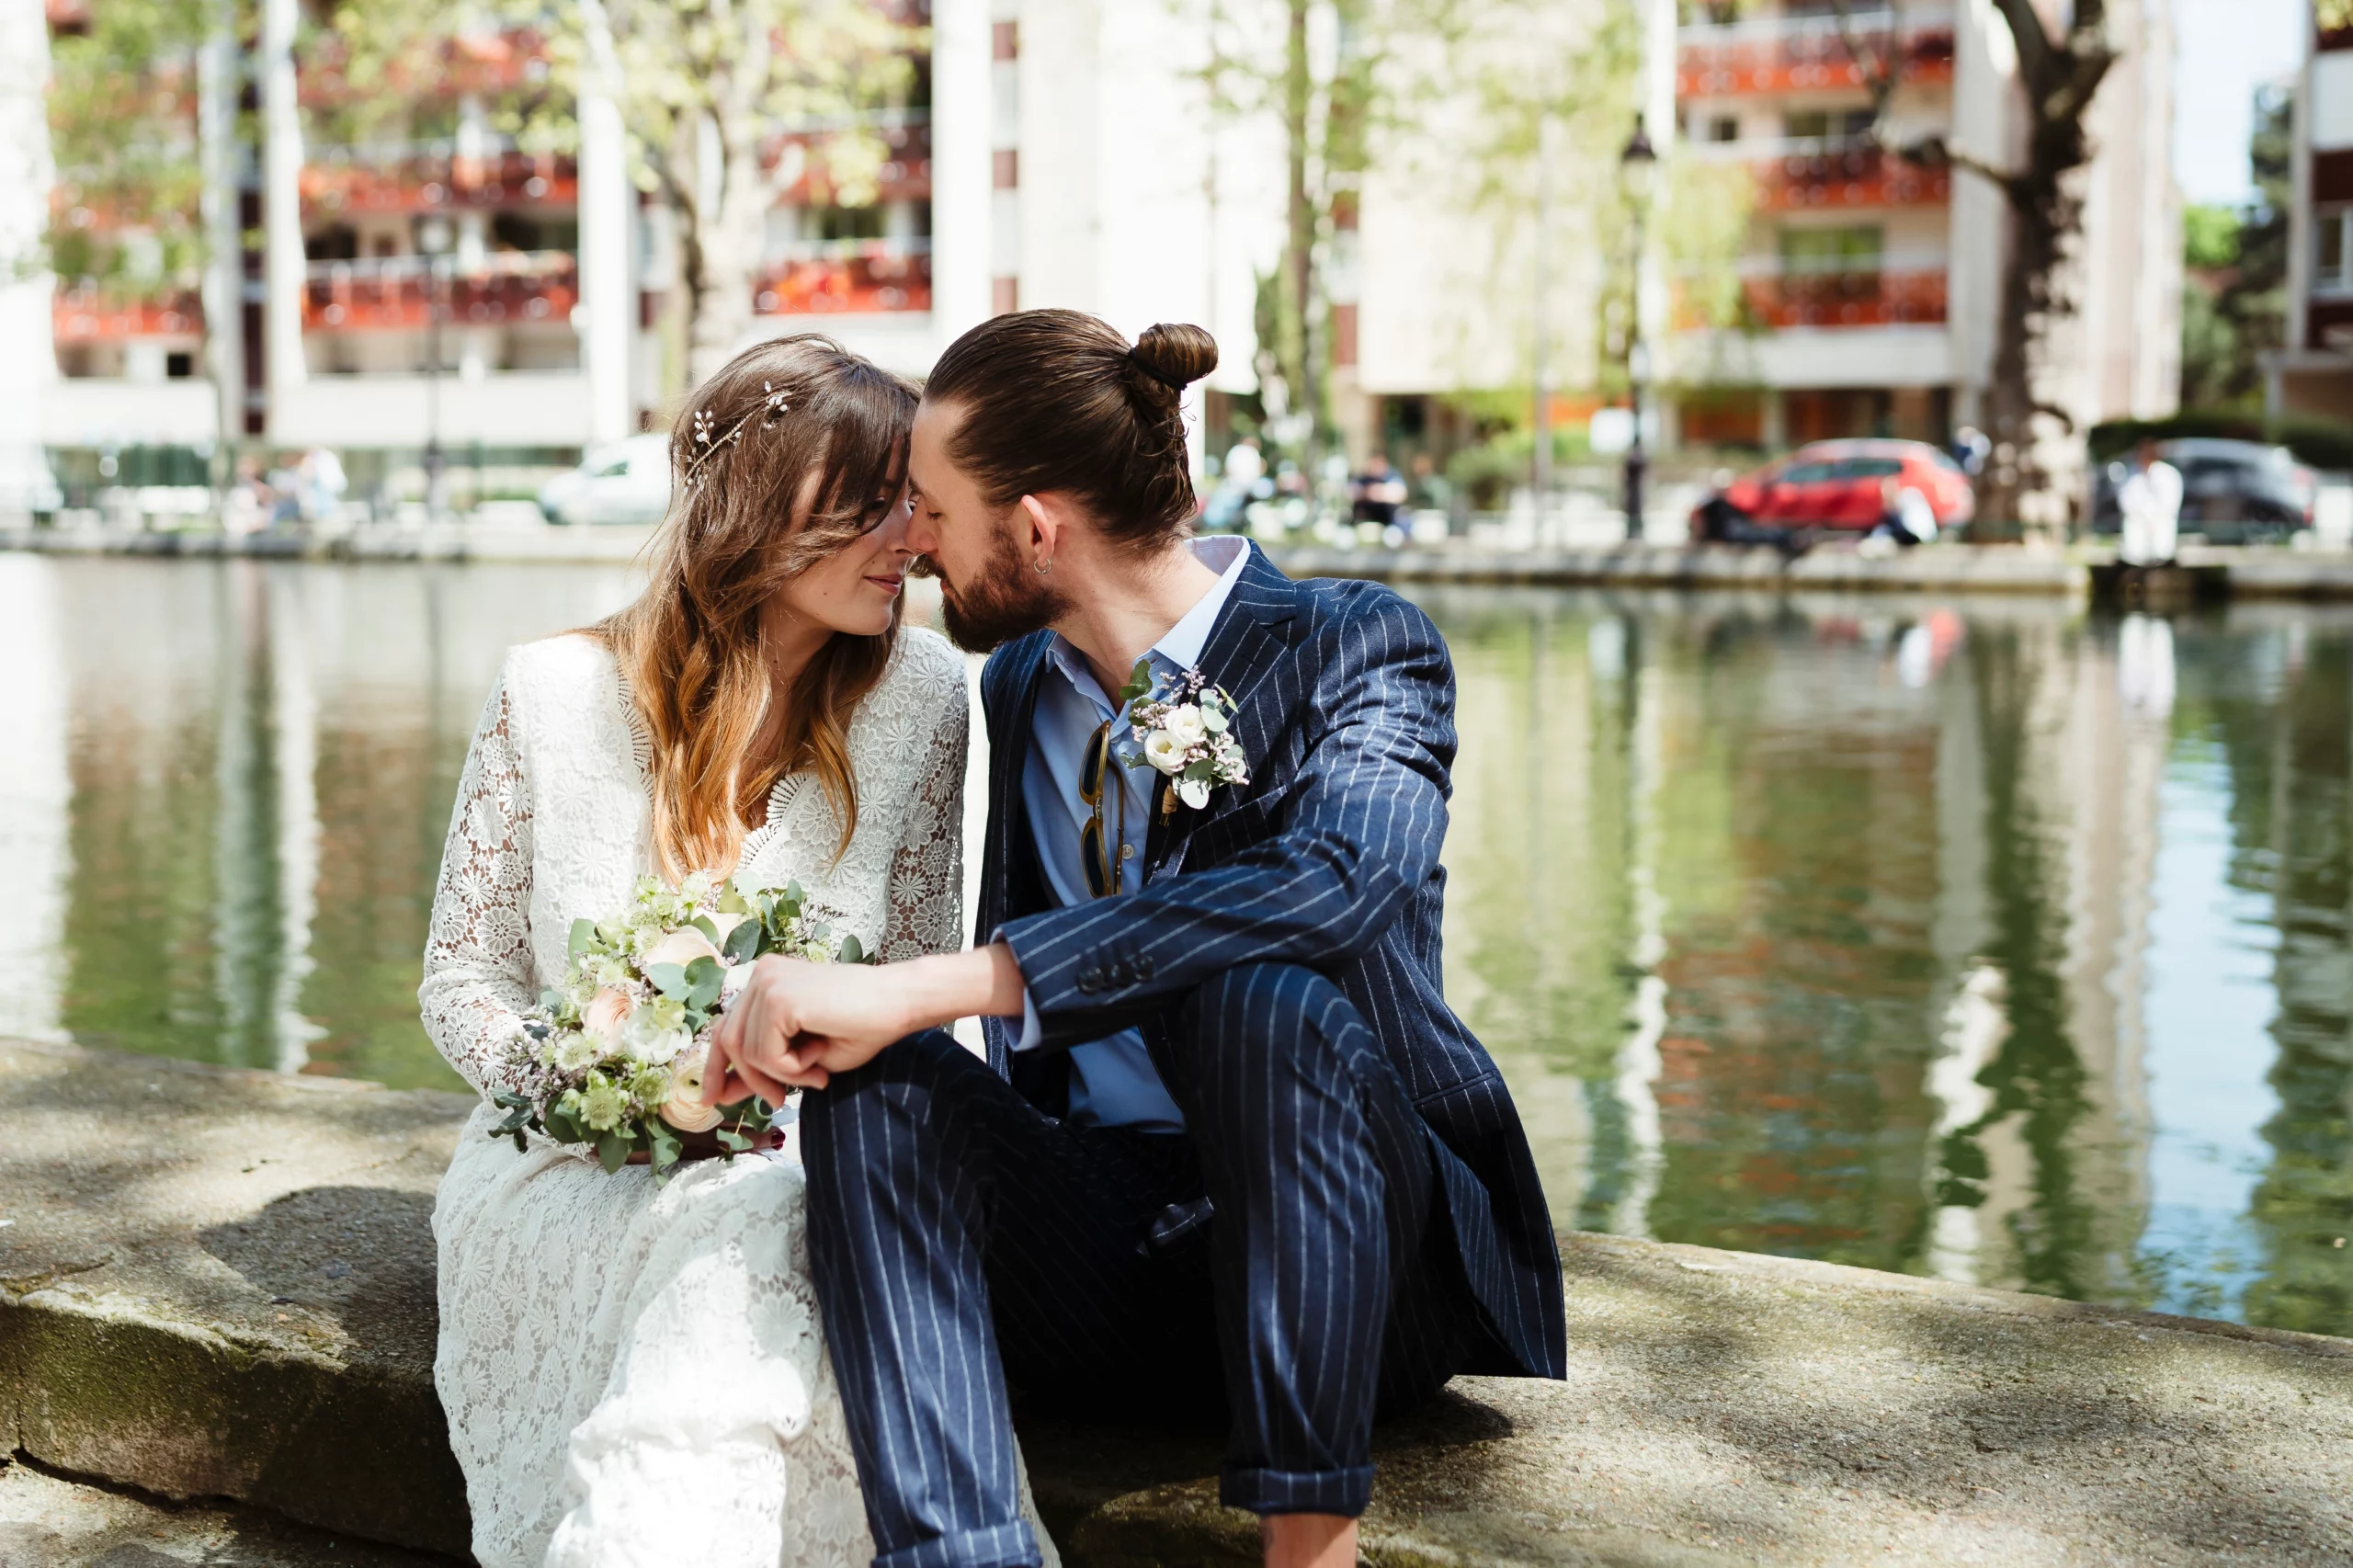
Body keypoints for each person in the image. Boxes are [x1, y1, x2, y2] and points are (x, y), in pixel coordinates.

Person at [704, 311, 1568, 1568]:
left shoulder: (1355, 643)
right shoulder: (1018, 684)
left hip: (1355, 1273)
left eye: (934, 511)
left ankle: (1309, 1552)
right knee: (872, 1080)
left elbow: (1337, 880)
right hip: (1114, 1254)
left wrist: (939, 982)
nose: (918, 545)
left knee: (1259, 999)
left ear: (1036, 525)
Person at [417, 334, 1058, 1568]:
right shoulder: (547, 691)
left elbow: (921, 987)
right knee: (733, 1242)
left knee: (761, 1222)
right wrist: (606, 1087)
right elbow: (463, 981)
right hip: (565, 1162)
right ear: (758, 510)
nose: (911, 542)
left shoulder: (926, 699)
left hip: (814, 1167)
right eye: (870, 509)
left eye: (914, 509)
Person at [2118, 439, 2183, 567]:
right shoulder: (2131, 473)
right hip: (2138, 519)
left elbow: (2171, 502)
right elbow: (2126, 500)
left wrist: (2155, 518)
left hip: (2161, 518)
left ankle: (2161, 562)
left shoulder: (2168, 474)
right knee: (2133, 531)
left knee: (2163, 535)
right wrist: (2141, 517)